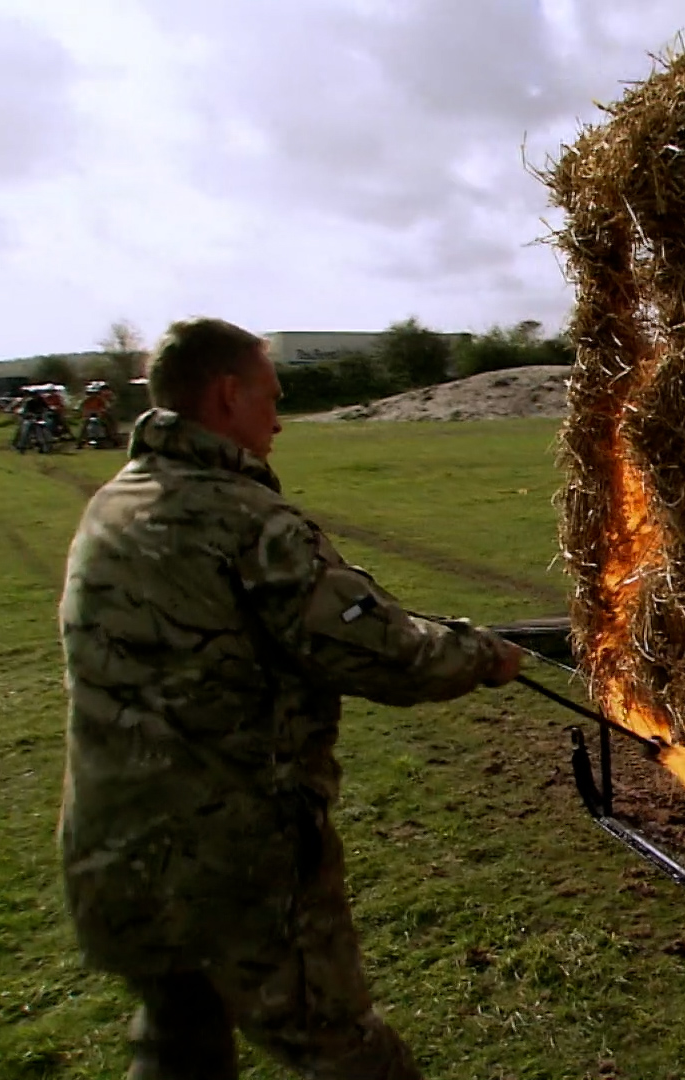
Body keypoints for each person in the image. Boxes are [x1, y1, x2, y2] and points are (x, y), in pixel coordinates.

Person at [57, 317, 524, 1078]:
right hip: (232, 857)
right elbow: (380, 652)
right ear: (226, 394)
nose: (278, 420)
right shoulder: (245, 519)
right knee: (345, 1050)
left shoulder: (115, 502)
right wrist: (481, 654)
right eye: (271, 399)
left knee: (179, 1036)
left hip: (114, 846)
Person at [80, 380, 119, 445]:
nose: (93, 395)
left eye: (94, 393)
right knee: (84, 426)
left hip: (100, 416)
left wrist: (103, 410)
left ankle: (113, 438)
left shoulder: (100, 400)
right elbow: (82, 407)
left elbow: (105, 407)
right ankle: (80, 441)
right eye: (91, 393)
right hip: (89, 416)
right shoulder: (86, 400)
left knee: (107, 424)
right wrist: (85, 413)